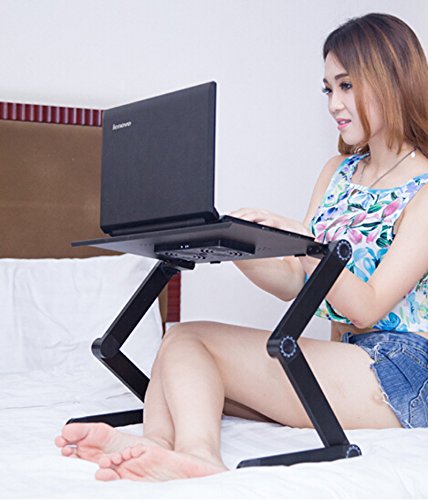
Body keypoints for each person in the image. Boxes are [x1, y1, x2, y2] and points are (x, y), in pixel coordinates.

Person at [55, 12, 428, 482]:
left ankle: (198, 455)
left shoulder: (424, 188)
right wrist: (239, 245)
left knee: (192, 340)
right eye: (328, 89)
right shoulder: (338, 171)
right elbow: (295, 284)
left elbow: (367, 308)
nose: (334, 103)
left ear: (391, 80)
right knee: (179, 344)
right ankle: (156, 445)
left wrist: (307, 245)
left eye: (346, 85)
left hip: (403, 373)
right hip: (347, 360)